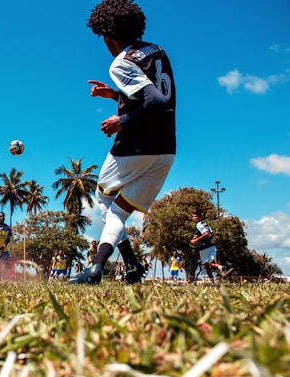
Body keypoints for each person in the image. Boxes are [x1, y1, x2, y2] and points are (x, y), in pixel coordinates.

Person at [70, 0, 176, 285]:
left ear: (106, 35)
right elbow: (150, 94)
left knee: (104, 198)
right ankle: (131, 265)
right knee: (117, 210)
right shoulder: (157, 50)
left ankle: (96, 268)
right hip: (166, 150)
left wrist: (121, 121)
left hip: (135, 147)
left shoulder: (121, 63)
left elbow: (156, 101)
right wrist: (116, 97)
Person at [190, 210, 225, 283]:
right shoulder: (205, 224)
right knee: (211, 264)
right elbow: (211, 233)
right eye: (193, 216)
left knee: (206, 264)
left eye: (195, 216)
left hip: (204, 247)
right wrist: (198, 235)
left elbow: (206, 234)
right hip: (212, 245)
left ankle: (212, 281)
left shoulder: (198, 225)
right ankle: (220, 267)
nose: (193, 218)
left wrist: (196, 241)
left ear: (199, 217)